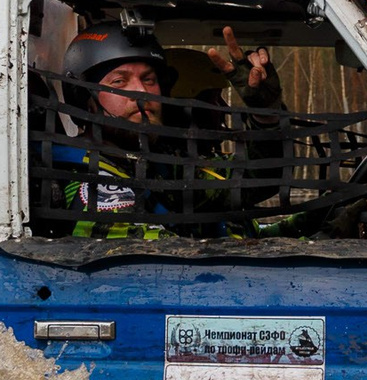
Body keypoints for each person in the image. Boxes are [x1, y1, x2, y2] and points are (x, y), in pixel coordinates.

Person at [37, 21, 282, 237]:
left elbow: (252, 184)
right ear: (85, 100)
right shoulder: (87, 183)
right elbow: (155, 265)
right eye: (119, 81)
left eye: (149, 80)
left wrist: (266, 113)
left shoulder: (161, 164)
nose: (141, 93)